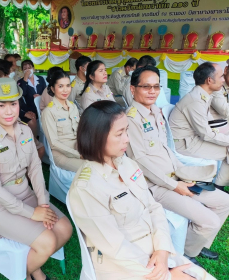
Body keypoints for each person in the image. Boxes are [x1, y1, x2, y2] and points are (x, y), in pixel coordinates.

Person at [69, 100, 216, 280]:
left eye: (127, 131)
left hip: (155, 252)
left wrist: (162, 250)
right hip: (124, 266)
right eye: (120, 133)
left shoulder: (127, 164)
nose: (127, 139)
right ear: (97, 137)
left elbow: (153, 207)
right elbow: (115, 246)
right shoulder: (87, 187)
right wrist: (166, 275)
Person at [126, 65, 229, 266]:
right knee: (211, 221)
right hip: (156, 186)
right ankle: (185, 256)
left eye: (156, 86)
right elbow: (141, 163)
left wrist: (182, 175)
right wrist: (175, 185)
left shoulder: (156, 112)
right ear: (133, 89)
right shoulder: (130, 120)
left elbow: (167, 150)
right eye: (146, 86)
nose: (152, 91)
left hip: (175, 176)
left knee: (224, 202)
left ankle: (193, 247)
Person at [0, 77, 72, 280]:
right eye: (1, 105)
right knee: (47, 242)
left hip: (26, 195)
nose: (9, 111)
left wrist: (43, 204)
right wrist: (31, 213)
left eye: (13, 104)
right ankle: (25, 273)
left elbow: (35, 168)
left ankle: (30, 265)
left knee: (65, 228)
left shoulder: (25, 130)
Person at [170, 62, 229, 193]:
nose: (223, 79)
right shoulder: (196, 100)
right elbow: (206, 134)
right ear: (209, 80)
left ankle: (219, 186)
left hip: (192, 139)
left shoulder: (202, 95)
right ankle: (219, 187)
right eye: (221, 77)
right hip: (186, 144)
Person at [41, 70, 83, 172]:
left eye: (68, 86)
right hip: (62, 155)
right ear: (53, 88)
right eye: (60, 86)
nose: (65, 90)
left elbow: (81, 131)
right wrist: (78, 155)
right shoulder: (49, 112)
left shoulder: (73, 107)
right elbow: (54, 143)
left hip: (79, 148)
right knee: (91, 168)